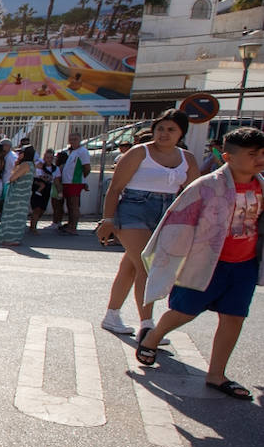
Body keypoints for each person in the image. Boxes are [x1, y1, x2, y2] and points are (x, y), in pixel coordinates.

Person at [137, 126, 264, 400]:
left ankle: (217, 375)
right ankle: (153, 336)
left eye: (262, 153)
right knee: (184, 311)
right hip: (205, 262)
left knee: (234, 317)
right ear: (228, 156)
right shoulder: (206, 186)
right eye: (253, 154)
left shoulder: (262, 185)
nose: (259, 159)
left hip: (244, 265)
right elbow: (176, 223)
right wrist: (169, 259)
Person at [98, 109, 198, 340]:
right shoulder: (139, 153)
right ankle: (148, 326)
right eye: (160, 128)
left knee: (131, 266)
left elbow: (194, 194)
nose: (164, 133)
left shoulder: (187, 158)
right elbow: (114, 189)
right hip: (134, 209)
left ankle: (112, 316)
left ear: (181, 133)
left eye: (171, 129)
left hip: (167, 215)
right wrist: (108, 220)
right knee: (146, 265)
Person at [0, 146, 35, 247]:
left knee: (13, 216)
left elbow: (12, 178)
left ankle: (12, 238)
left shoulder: (25, 164)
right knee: (18, 216)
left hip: (18, 195)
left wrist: (17, 165)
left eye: (21, 153)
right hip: (22, 195)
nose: (18, 155)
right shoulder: (29, 164)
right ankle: (12, 238)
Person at [60, 132, 93, 234]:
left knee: (74, 205)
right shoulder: (73, 151)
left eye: (75, 139)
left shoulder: (82, 151)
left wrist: (81, 179)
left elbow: (87, 168)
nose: (72, 141)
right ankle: (70, 224)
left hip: (75, 182)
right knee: (69, 204)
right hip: (68, 182)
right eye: (71, 139)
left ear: (80, 140)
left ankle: (73, 227)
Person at [28, 148, 56, 234]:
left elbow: (57, 180)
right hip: (37, 187)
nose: (48, 159)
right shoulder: (39, 165)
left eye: (50, 158)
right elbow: (36, 175)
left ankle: (33, 223)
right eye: (47, 157)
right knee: (37, 208)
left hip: (47, 189)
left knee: (42, 209)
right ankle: (33, 227)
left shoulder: (55, 169)